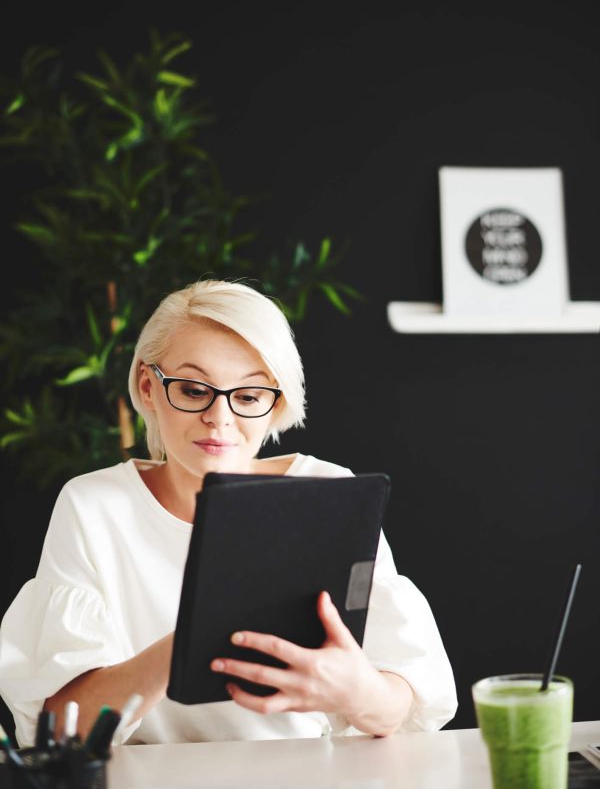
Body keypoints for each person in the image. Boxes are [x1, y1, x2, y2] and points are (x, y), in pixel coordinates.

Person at [0, 279, 457, 746]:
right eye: (193, 390)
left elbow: (403, 708)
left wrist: (357, 691)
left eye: (248, 396)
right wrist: (189, 644)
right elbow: (63, 731)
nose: (219, 418)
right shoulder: (94, 507)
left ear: (275, 402)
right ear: (148, 387)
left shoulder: (327, 492)